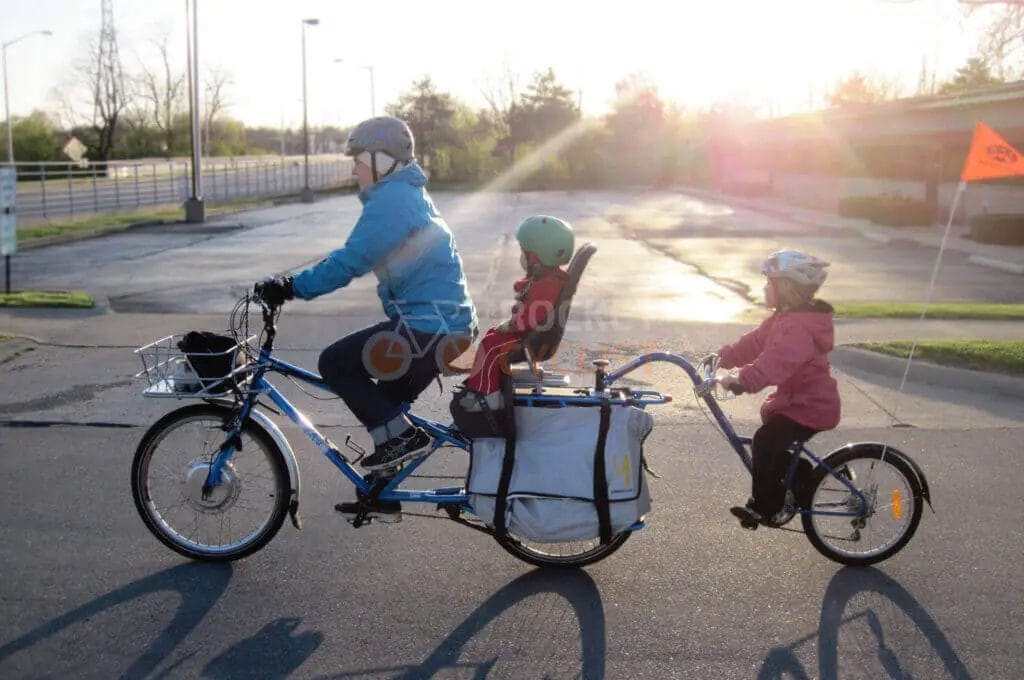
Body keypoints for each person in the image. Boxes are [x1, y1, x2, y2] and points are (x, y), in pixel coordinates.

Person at [257, 116, 476, 471]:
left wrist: (290, 287)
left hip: (429, 328)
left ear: (382, 160)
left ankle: (401, 442)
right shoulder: (408, 192)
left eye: (359, 162)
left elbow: (351, 260)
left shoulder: (392, 200)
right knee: (385, 411)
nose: (356, 171)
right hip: (443, 325)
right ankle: (381, 494)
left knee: (335, 363)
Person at [716, 249, 841, 528]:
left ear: (786, 287)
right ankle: (802, 476)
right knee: (772, 443)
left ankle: (767, 508)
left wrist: (743, 379)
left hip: (811, 407)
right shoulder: (783, 319)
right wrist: (723, 358)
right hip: (796, 403)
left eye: (768, 283)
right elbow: (755, 342)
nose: (764, 288)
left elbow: (777, 363)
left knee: (765, 441)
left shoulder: (799, 328)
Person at [460, 215, 573, 411]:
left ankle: (486, 397)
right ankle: (484, 381)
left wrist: (512, 325)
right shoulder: (551, 277)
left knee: (490, 347)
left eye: (525, 253)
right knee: (492, 335)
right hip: (534, 336)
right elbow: (533, 295)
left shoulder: (547, 285)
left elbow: (530, 318)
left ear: (537, 256)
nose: (522, 257)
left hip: (531, 339)